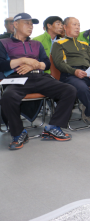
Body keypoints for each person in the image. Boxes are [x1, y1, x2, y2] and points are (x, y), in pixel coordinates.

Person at [0, 13, 76, 150]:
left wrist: (33, 64)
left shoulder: (36, 44)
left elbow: (46, 64)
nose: (30, 26)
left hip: (39, 76)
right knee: (8, 97)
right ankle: (18, 133)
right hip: (17, 79)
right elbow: (1, 65)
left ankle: (53, 127)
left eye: (32, 24)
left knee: (69, 90)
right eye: (26, 23)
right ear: (15, 25)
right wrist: (23, 60)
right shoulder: (3, 43)